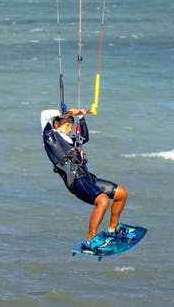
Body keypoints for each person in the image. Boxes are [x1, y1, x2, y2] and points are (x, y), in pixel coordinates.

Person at [41, 108, 129, 253]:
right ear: (56, 124)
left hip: (87, 178)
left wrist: (81, 118)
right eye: (66, 124)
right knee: (103, 201)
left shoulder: (72, 141)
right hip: (76, 181)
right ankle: (90, 241)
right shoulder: (50, 137)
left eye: (71, 125)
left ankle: (112, 229)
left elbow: (85, 137)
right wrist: (69, 110)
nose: (69, 127)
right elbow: (44, 114)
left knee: (121, 194)